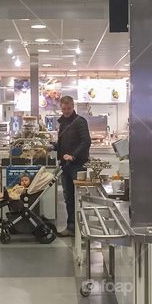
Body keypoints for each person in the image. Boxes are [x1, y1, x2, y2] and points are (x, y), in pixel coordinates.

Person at [54, 95, 90, 237]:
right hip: (65, 166)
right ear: (60, 108)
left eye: (68, 108)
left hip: (77, 165)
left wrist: (73, 155)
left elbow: (86, 141)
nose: (66, 111)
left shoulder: (80, 122)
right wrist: (52, 147)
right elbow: (64, 144)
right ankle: (71, 226)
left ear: (73, 106)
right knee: (68, 197)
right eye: (63, 109)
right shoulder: (63, 122)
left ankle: (81, 227)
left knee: (78, 197)